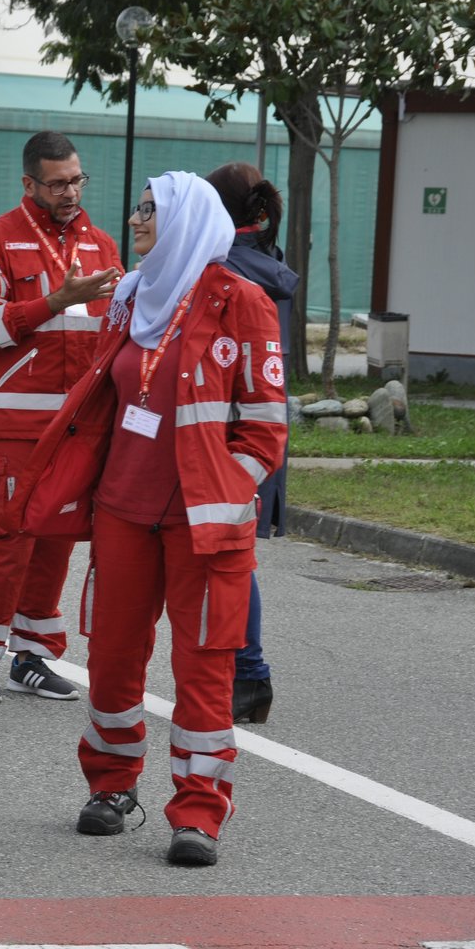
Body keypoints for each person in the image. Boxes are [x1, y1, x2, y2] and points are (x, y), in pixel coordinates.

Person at [10, 172, 287, 865]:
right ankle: (110, 788)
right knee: (111, 657)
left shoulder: (242, 302)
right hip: (122, 514)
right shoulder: (130, 298)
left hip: (205, 525)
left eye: (150, 209)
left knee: (204, 669)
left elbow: (265, 428)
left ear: (188, 219)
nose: (135, 218)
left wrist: (228, 489)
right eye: (136, 206)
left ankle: (198, 812)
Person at [0, 131, 123, 703]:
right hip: (20, 425)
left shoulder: (102, 246)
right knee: (12, 535)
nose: (70, 191)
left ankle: (33, 654)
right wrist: (53, 300)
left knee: (59, 536)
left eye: (77, 179)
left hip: (83, 424)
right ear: (30, 183)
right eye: (57, 183)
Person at [206, 162, 300, 725]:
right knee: (235, 554)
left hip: (226, 430)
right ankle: (245, 672)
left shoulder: (221, 271)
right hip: (259, 427)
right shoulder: (270, 264)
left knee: (230, 556)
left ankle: (249, 674)